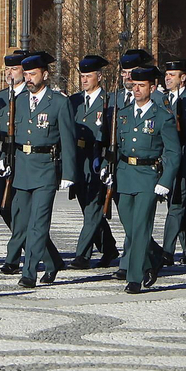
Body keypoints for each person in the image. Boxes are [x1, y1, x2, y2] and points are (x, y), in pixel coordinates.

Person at [2, 52, 74, 288]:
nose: (29, 79)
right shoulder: (19, 101)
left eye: (33, 74)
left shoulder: (59, 102)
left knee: (38, 224)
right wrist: (5, 159)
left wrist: (68, 173)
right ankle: (53, 262)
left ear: (45, 74)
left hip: (45, 168)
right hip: (22, 167)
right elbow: (12, 136)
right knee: (20, 221)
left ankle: (29, 272)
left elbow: (67, 140)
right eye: (27, 75)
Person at [109, 66, 178, 293]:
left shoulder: (162, 117)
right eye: (134, 85)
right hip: (125, 174)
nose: (136, 89)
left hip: (148, 176)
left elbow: (173, 152)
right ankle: (154, 257)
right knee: (129, 225)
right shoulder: (124, 114)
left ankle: (135, 276)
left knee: (140, 227)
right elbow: (115, 146)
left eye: (141, 85)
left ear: (152, 87)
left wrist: (165, 180)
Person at [69, 55, 119, 269]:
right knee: (88, 207)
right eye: (82, 76)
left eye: (88, 76)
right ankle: (108, 248)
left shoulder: (109, 101)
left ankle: (82, 255)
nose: (85, 80)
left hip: (98, 158)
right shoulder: (74, 101)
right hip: (79, 160)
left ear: (99, 76)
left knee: (93, 208)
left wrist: (106, 160)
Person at [0, 50, 30, 273]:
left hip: (23, 158)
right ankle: (37, 248)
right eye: (7, 70)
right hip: (3, 156)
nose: (9, 73)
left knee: (20, 209)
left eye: (14, 69)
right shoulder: (0, 97)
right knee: (4, 207)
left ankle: (15, 257)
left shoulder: (29, 96)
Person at [159, 59, 186, 266]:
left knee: (177, 204)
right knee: (178, 205)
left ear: (183, 78)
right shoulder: (163, 100)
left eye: (172, 75)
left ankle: (167, 251)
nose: (167, 78)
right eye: (167, 75)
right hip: (169, 160)